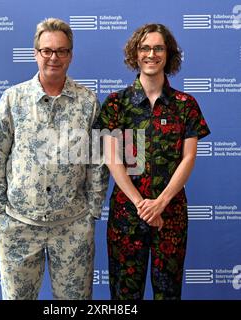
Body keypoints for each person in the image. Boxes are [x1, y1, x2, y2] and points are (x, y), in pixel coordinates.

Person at [0, 17, 108, 300]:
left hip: (73, 227)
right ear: (35, 53)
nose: (54, 57)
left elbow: (97, 159)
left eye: (61, 51)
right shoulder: (13, 99)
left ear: (71, 55)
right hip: (19, 225)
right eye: (47, 50)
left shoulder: (87, 102)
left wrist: (92, 210)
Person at [95, 23, 211, 300]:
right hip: (127, 214)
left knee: (168, 293)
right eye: (144, 47)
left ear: (168, 54)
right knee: (124, 297)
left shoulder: (186, 104)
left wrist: (160, 203)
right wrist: (141, 204)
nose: (151, 54)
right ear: (134, 54)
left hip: (170, 215)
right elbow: (112, 159)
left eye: (158, 48)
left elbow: (189, 157)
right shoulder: (115, 104)